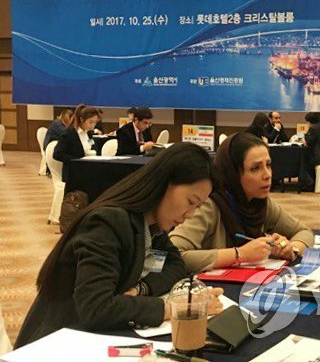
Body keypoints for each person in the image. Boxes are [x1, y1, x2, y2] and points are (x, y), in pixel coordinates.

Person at [15, 143, 224, 348]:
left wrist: (140, 289)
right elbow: (96, 307)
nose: (190, 214)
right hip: (56, 341)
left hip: (94, 336)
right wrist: (173, 308)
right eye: (190, 202)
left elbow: (176, 265)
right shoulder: (108, 222)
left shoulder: (152, 225)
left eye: (198, 207)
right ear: (164, 182)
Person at [169, 132, 314, 273]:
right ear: (233, 173)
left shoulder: (259, 204)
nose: (267, 175)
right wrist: (239, 254)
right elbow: (173, 255)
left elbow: (304, 232)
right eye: (255, 168)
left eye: (268, 165)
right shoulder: (208, 204)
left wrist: (291, 248)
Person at [53, 104, 102, 182]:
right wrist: (78, 160)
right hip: (74, 174)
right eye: (90, 122)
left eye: (95, 122)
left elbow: (92, 146)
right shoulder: (69, 134)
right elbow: (57, 154)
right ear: (82, 119)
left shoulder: (89, 133)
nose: (93, 126)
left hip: (87, 170)